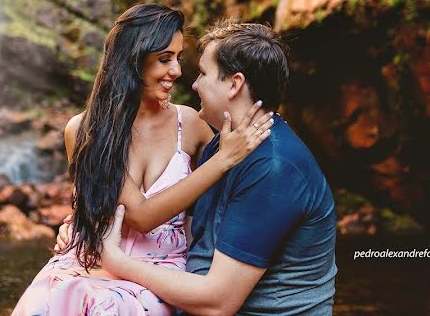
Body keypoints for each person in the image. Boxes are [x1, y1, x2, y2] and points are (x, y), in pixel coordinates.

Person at [10, 5, 274, 316]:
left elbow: (235, 193)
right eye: (165, 59)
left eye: (178, 58)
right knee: (44, 302)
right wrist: (74, 224)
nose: (176, 71)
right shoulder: (84, 130)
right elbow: (129, 213)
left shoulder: (190, 125)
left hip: (159, 269)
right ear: (132, 59)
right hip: (89, 261)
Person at [98, 20, 337, 315]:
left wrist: (117, 261)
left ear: (234, 84)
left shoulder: (276, 167)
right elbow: (187, 230)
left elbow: (218, 302)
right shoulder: (223, 145)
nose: (193, 83)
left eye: (203, 73)